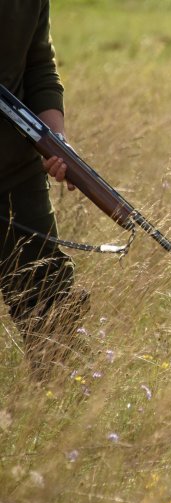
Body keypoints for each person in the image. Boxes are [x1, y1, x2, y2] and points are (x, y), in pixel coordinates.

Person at [1, 0, 88, 379]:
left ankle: (65, 421)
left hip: (17, 174)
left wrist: (56, 141)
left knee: (50, 310)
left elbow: (39, 65)